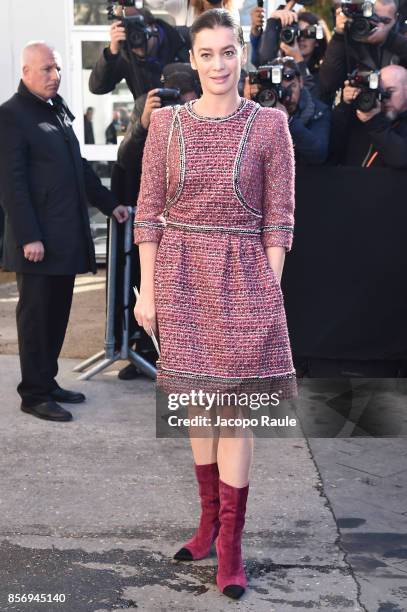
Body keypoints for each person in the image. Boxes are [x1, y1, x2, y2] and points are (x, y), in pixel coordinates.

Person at [133, 9, 295, 600]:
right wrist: (147, 291)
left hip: (243, 278)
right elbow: (148, 213)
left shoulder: (271, 125)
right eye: (207, 54)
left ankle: (231, 547)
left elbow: (280, 219)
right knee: (198, 405)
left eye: (229, 52)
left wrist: (266, 288)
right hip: (177, 275)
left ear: (242, 54)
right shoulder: (166, 125)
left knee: (236, 414)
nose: (219, 65)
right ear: (193, 59)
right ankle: (207, 523)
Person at [0, 42, 129, 422]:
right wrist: (28, 237)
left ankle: (48, 381)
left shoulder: (55, 111)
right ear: (26, 72)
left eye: (57, 69)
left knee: (56, 316)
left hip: (63, 239)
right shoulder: (11, 116)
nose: (55, 76)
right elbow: (12, 185)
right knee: (36, 319)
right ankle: (34, 394)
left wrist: (110, 204)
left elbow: (80, 167)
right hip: (37, 243)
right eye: (46, 70)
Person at [89, 8, 189, 100]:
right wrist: (111, 53)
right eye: (130, 37)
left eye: (139, 34)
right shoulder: (127, 56)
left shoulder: (182, 39)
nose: (137, 43)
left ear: (153, 27)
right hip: (150, 116)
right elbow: (97, 88)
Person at [319, 0, 407, 100]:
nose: (379, 26)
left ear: (395, 19)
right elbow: (326, 85)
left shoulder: (401, 45)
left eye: (385, 21)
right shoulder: (346, 42)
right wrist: (339, 36)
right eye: (373, 19)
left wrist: (391, 39)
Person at [330, 64, 407, 168]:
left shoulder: (373, 120)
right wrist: (345, 104)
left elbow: (401, 158)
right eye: (379, 91)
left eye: (390, 91)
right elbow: (332, 143)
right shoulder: (365, 113)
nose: (384, 97)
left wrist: (375, 123)